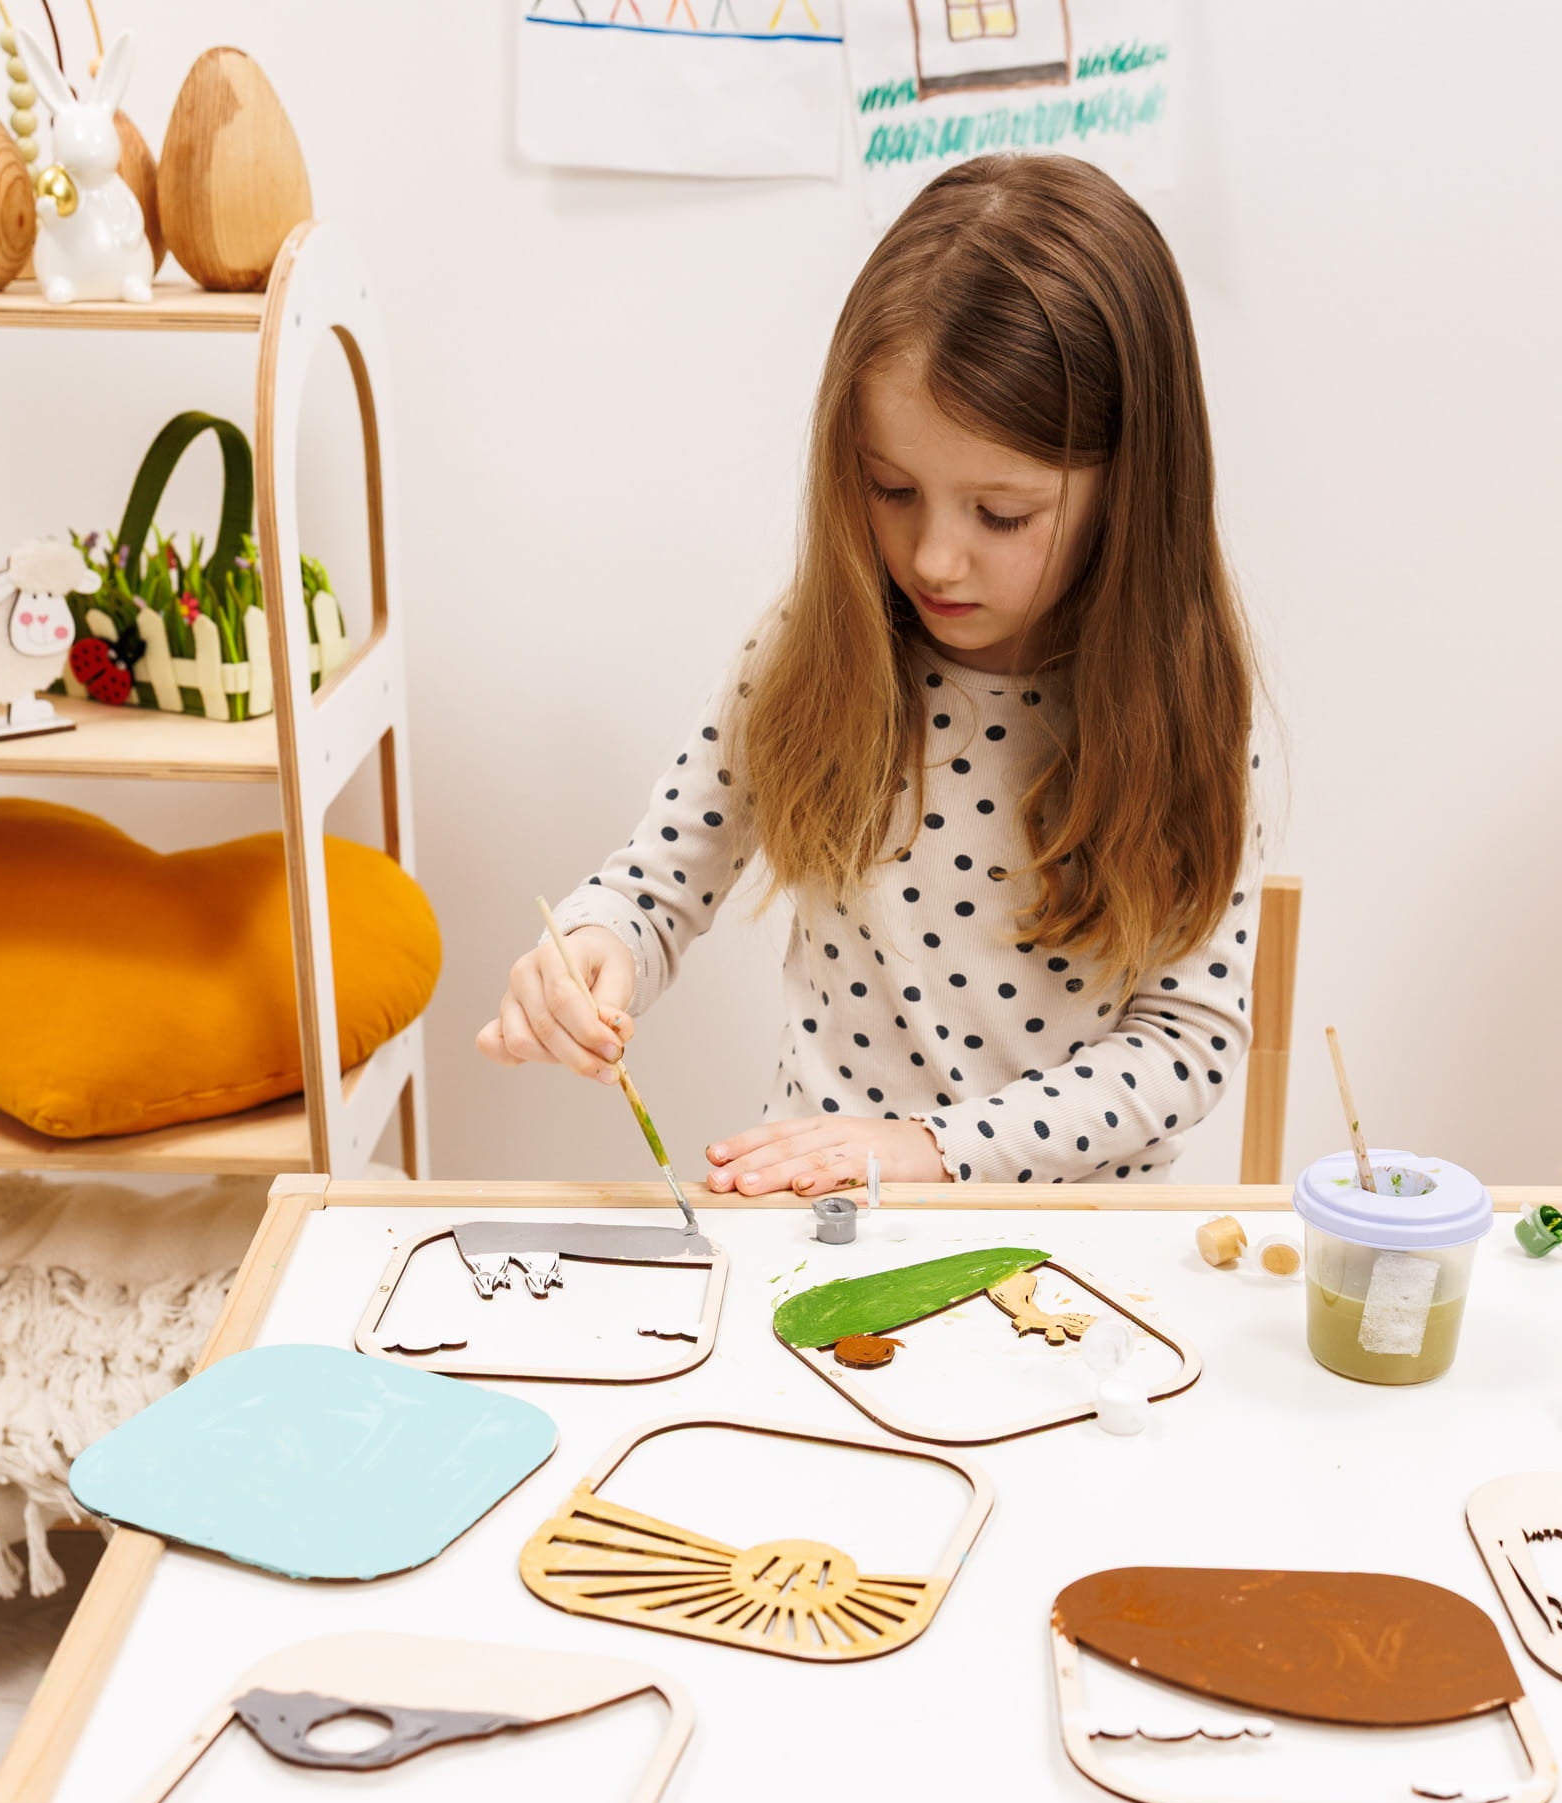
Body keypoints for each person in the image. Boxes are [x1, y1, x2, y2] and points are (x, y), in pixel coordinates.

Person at [481, 152, 1261, 1195]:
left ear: (1131, 484)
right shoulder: (811, 652)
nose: (935, 557)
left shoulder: (1183, 707)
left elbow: (1184, 1043)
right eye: (889, 488)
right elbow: (660, 879)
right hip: (823, 1220)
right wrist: (593, 942)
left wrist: (931, 1149)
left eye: (1001, 514)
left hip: (1080, 1251)